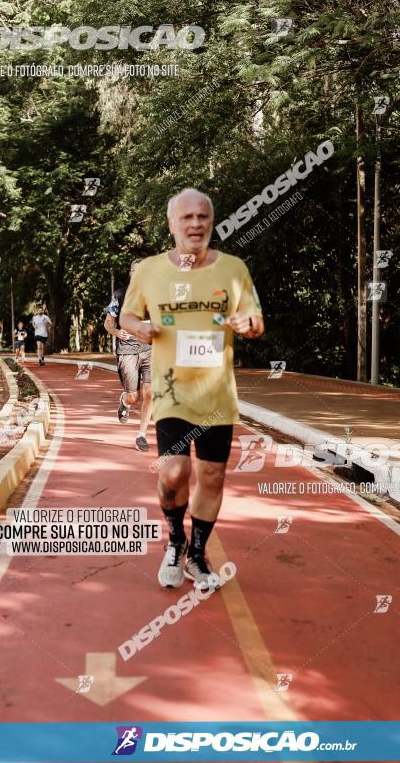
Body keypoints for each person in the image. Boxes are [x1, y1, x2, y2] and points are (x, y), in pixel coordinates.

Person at [121, 188, 264, 591]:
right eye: (187, 218)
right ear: (172, 225)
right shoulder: (148, 270)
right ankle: (175, 540)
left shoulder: (234, 268)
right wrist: (139, 327)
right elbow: (128, 314)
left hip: (217, 394)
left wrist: (248, 325)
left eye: (202, 217)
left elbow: (256, 320)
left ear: (211, 221)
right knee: (173, 472)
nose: (196, 224)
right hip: (171, 391)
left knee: (213, 476)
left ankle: (197, 556)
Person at [103, 261, 153, 451]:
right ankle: (125, 401)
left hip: (150, 348)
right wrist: (116, 333)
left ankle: (141, 435)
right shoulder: (119, 295)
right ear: (130, 273)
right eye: (135, 271)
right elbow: (108, 324)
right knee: (135, 396)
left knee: (150, 394)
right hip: (127, 348)